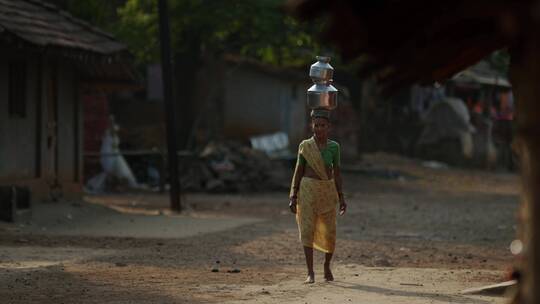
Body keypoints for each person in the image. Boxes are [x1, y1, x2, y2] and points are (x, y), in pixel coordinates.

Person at [289, 109, 347, 284]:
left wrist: (342, 197)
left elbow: (336, 173)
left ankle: (327, 266)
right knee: (307, 230)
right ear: (311, 126)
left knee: (330, 232)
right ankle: (310, 272)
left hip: (327, 192)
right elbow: (298, 171)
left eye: (322, 125)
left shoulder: (334, 147)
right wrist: (293, 194)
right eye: (316, 125)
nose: (319, 129)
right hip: (307, 191)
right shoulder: (305, 146)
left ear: (329, 127)